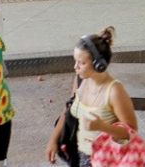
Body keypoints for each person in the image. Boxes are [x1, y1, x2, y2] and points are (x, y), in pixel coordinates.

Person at [46, 28, 137, 167]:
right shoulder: (82, 81)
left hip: (107, 160)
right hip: (83, 157)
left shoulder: (114, 91)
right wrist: (53, 140)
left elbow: (130, 132)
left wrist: (102, 126)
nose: (75, 67)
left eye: (81, 63)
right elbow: (69, 110)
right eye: (75, 61)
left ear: (98, 65)